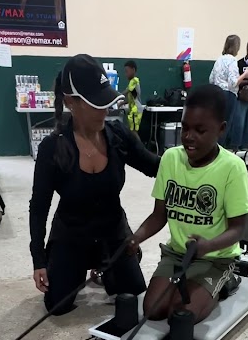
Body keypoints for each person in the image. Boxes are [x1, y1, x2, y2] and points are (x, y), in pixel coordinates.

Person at [29, 54, 160, 314]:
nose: (105, 110)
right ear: (70, 101)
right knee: (57, 305)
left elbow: (154, 166)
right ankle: (81, 265)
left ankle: (111, 267)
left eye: (106, 102)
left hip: (113, 231)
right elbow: (39, 207)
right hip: (72, 234)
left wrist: (193, 158)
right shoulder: (52, 148)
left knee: (134, 297)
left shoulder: (118, 135)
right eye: (95, 104)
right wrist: (38, 260)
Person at [130, 84, 248, 325]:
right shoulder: (170, 158)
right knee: (153, 309)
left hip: (215, 258)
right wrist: (135, 239)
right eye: (185, 127)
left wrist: (208, 246)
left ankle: (225, 282)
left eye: (200, 130)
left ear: (221, 129)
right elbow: (159, 215)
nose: (188, 136)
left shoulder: (233, 168)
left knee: (181, 314)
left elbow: (238, 229)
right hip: (177, 254)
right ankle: (191, 284)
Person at [208, 35, 248, 147]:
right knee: (225, 125)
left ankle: (211, 146)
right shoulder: (232, 61)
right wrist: (245, 74)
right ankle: (219, 149)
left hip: (216, 94)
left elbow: (211, 79)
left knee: (216, 123)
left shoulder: (219, 60)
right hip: (228, 95)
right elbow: (233, 83)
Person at [123, 60, 142, 133]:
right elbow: (131, 98)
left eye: (127, 71)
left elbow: (126, 91)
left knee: (134, 132)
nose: (126, 74)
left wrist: (116, 96)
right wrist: (123, 102)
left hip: (136, 110)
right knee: (132, 131)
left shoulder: (134, 80)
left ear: (133, 70)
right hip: (133, 110)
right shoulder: (131, 82)